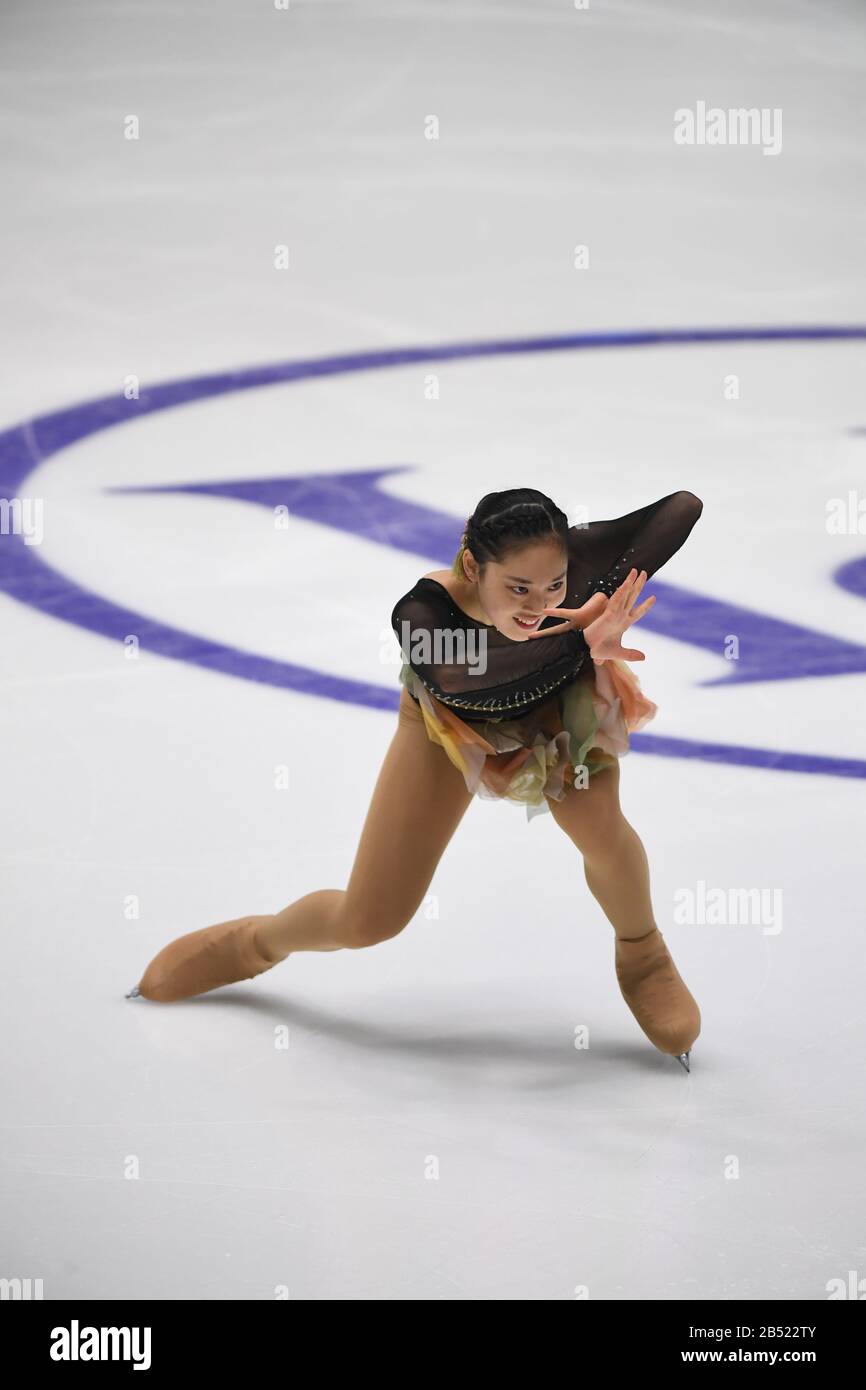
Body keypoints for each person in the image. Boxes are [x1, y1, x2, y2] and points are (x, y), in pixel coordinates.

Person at [128, 487, 704, 1072]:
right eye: (519, 589)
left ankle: (643, 955)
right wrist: (578, 638)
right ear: (474, 566)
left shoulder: (565, 568)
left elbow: (682, 508)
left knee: (596, 821)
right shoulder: (424, 616)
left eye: (553, 584)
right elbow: (468, 678)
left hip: (562, 711)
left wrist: (595, 582)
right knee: (369, 920)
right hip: (448, 727)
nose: (538, 602)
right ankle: (255, 943)